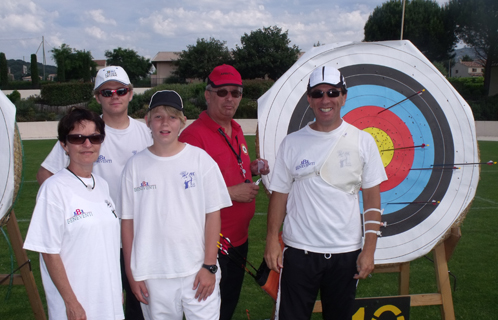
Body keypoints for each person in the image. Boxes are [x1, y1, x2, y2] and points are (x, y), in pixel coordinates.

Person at [264, 66, 388, 320]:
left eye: (333, 92)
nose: (325, 100)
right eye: (318, 93)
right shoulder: (292, 142)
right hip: (299, 252)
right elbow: (279, 196)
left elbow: (373, 201)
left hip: (346, 254)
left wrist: (369, 250)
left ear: (343, 96)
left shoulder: (363, 141)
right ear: (309, 99)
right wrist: (270, 241)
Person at [36, 66, 152, 320]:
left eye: (121, 90)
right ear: (97, 96)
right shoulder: (82, 131)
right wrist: (72, 202)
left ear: (131, 93)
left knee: (140, 306)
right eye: (107, 92)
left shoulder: (146, 133)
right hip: (95, 238)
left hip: (139, 238)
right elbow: (46, 174)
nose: (115, 96)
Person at [120, 90, 232, 319]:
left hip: (197, 271)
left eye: (172, 117)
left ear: (183, 122)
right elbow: (127, 223)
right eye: (158, 116)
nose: (165, 123)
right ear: (148, 121)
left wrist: (210, 266)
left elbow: (213, 215)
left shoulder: (201, 160)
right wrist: (133, 275)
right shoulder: (134, 166)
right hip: (152, 276)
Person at [179, 64, 270, 320]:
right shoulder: (192, 136)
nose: (229, 98)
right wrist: (231, 193)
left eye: (236, 92)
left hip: (239, 241)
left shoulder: (237, 129)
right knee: (206, 311)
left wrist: (251, 169)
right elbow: (183, 192)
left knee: (226, 307)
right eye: (222, 92)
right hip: (211, 244)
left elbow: (229, 169)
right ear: (208, 95)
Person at [24, 107, 124, 320]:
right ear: (64, 145)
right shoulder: (53, 189)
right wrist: (71, 303)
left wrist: (116, 291)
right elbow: (49, 252)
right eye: (78, 138)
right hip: (76, 309)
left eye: (94, 137)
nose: (87, 144)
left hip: (108, 304)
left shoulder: (103, 186)